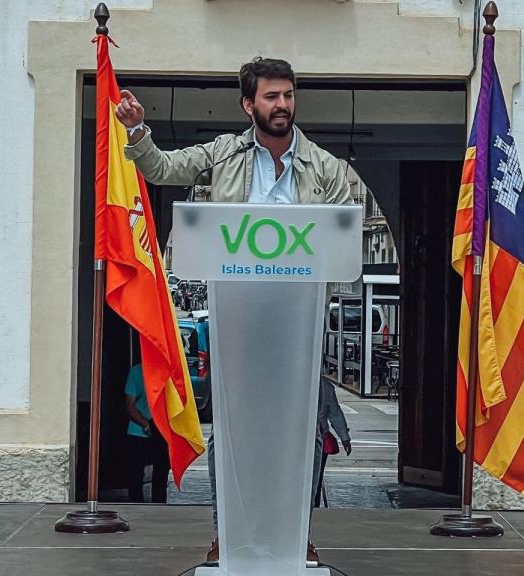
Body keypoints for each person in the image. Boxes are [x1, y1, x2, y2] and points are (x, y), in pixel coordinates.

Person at [116, 56, 355, 565]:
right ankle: (229, 533)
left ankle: (296, 534)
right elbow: (162, 169)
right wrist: (137, 131)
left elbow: (340, 246)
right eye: (271, 96)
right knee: (233, 436)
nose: (282, 105)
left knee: (305, 432)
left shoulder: (327, 168)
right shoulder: (223, 154)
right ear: (249, 104)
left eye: (288, 95)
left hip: (298, 324)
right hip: (237, 322)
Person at [124, 363, 171, 504]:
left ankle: (151, 506)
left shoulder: (164, 371)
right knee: (139, 476)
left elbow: (130, 405)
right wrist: (146, 424)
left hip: (152, 429)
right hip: (144, 429)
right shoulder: (138, 372)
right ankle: (148, 506)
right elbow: (129, 406)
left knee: (157, 476)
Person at [313, 377, 352, 508]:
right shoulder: (327, 387)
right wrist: (344, 437)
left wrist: (345, 437)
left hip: (314, 436)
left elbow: (335, 414)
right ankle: (315, 505)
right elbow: (335, 414)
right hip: (319, 436)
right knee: (316, 478)